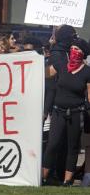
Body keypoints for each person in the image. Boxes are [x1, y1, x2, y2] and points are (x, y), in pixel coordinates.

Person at [43, 38, 90, 186]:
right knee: (53, 144)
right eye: (72, 48)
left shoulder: (87, 71)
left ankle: (67, 180)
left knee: (73, 147)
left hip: (76, 113)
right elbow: (42, 74)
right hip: (58, 112)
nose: (74, 51)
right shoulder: (61, 65)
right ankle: (43, 177)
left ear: (83, 54)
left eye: (77, 49)